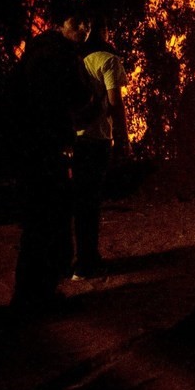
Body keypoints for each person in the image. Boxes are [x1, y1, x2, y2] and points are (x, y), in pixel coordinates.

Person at [2, 4, 96, 313]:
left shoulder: (35, 50)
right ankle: (37, 298)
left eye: (88, 24)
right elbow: (80, 96)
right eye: (78, 22)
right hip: (48, 149)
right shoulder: (63, 55)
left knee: (38, 221)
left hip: (28, 148)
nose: (84, 28)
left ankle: (30, 294)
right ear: (62, 23)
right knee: (51, 219)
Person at [69, 21, 130, 280]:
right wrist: (122, 138)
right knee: (91, 204)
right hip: (97, 141)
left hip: (76, 139)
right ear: (103, 32)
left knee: (80, 203)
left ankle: (76, 261)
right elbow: (116, 104)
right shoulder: (108, 60)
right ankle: (87, 265)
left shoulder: (78, 60)